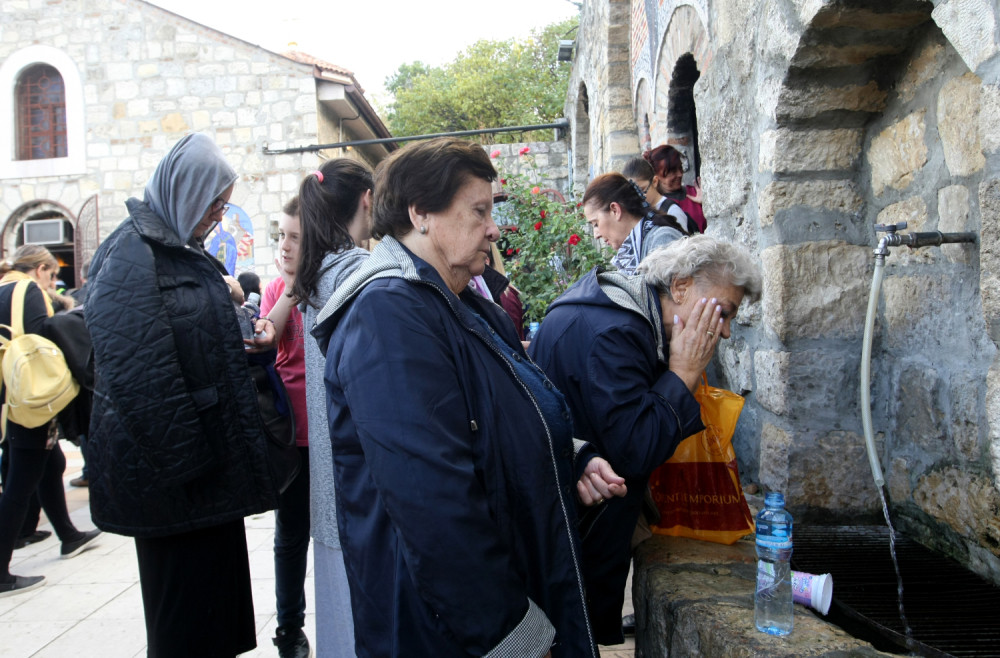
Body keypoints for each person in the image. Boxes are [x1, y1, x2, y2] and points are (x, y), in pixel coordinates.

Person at [312, 137, 627, 657]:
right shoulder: (388, 315)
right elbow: (433, 502)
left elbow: (494, 413)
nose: (494, 228)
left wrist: (568, 456)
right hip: (442, 632)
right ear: (421, 214)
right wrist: (513, 638)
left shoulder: (461, 304)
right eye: (478, 211)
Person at [85, 132, 280, 656]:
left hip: (204, 475)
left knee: (213, 622)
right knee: (187, 629)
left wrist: (242, 340)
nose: (219, 214)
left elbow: (184, 336)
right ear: (184, 190)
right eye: (213, 202)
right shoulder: (132, 252)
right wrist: (191, 469)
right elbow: (136, 374)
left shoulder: (173, 246)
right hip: (178, 479)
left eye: (224, 203)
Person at [528, 235, 762, 645]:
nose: (723, 332)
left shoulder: (623, 315)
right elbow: (636, 450)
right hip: (574, 527)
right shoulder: (615, 333)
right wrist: (683, 374)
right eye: (722, 313)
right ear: (680, 287)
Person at [290, 160, 373, 658]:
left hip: (328, 475)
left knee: (339, 620)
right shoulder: (362, 274)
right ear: (366, 199)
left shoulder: (314, 275)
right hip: (360, 472)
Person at [0, 245, 102, 598]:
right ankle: (1, 571)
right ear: (41, 269)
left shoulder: (3, 287)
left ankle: (69, 536)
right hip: (30, 398)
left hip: (12, 396)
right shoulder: (27, 290)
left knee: (51, 461)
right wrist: (68, 311)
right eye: (52, 274)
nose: (53, 281)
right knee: (21, 480)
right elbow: (42, 338)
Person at [259, 195, 311, 658]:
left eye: (296, 237)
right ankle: (289, 629)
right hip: (290, 438)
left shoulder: (334, 283)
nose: (286, 246)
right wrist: (292, 288)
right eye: (281, 236)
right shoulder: (278, 291)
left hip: (334, 438)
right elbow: (267, 338)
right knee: (290, 537)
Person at [582, 172, 688, 275]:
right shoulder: (632, 252)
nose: (596, 235)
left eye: (596, 223)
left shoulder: (662, 241)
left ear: (615, 210)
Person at [643, 144, 706, 233]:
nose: (680, 174)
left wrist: (707, 203)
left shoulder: (696, 193)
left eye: (680, 168)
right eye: (672, 171)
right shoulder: (656, 208)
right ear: (656, 177)